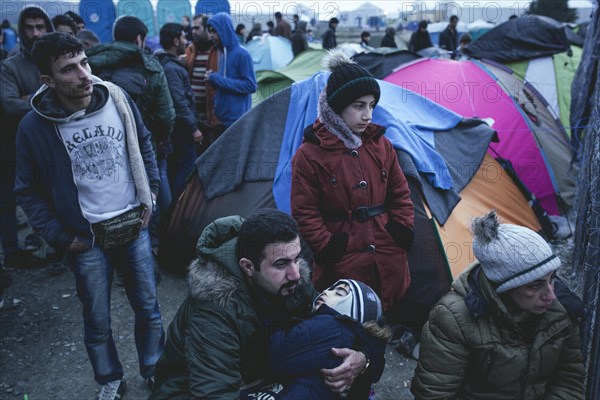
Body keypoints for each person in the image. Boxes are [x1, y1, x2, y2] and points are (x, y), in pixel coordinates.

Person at [16, 32, 165, 400]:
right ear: (48, 81)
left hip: (134, 225)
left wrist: (151, 195)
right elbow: (27, 190)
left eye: (84, 62)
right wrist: (63, 238)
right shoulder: (34, 127)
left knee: (148, 308)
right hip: (87, 238)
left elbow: (143, 141)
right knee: (97, 318)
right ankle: (109, 379)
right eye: (69, 69)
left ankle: (154, 368)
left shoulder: (115, 97)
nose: (84, 74)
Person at [150, 209, 369, 399]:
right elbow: (214, 394)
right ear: (247, 267)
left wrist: (362, 360)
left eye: (296, 258)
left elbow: (339, 326)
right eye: (281, 264)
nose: (295, 273)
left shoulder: (293, 282)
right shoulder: (214, 311)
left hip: (256, 379)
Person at [411, 210, 585, 399]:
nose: (550, 295)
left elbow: (569, 381)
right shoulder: (454, 318)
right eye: (535, 285)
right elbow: (435, 393)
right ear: (505, 287)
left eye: (552, 279)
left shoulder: (561, 309)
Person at [291, 49, 414, 311]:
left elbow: (400, 193)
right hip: (343, 258)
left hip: (386, 249)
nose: (368, 115)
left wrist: (401, 228)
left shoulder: (382, 144)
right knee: (345, 321)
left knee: (383, 316)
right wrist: (327, 245)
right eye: (358, 106)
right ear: (337, 107)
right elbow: (305, 210)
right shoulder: (310, 154)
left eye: (371, 105)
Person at [87, 16, 175, 224]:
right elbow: (165, 113)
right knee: (157, 180)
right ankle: (163, 229)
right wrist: (162, 137)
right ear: (139, 39)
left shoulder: (91, 63)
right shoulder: (150, 66)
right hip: (147, 142)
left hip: (104, 145)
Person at [254, 279, 391, 400]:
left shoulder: (331, 326)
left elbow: (273, 352)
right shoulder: (353, 338)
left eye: (339, 293)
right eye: (330, 288)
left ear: (355, 314)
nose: (326, 292)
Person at [0, 6, 53, 269]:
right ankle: (11, 254)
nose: (35, 33)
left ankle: (55, 249)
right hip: (13, 147)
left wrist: (28, 97)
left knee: (51, 197)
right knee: (8, 201)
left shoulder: (56, 60)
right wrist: (47, 98)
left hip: (50, 146)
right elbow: (9, 106)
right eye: (30, 28)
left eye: (40, 27)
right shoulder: (11, 65)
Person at [156, 23, 201, 199]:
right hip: (182, 128)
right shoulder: (172, 69)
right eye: (183, 37)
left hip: (176, 127)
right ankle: (179, 207)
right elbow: (179, 102)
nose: (186, 41)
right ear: (176, 41)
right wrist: (194, 128)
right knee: (187, 166)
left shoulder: (165, 63)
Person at [206, 12, 257, 132]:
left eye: (214, 31)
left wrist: (218, 79)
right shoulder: (222, 53)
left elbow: (251, 86)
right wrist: (213, 78)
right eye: (210, 31)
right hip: (222, 119)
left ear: (224, 29)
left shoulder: (242, 54)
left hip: (237, 121)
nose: (212, 35)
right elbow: (227, 81)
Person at [184, 14, 219, 139]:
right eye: (192, 28)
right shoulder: (190, 50)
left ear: (207, 29)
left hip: (213, 114)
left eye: (197, 28)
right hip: (194, 115)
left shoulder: (217, 51)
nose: (193, 32)